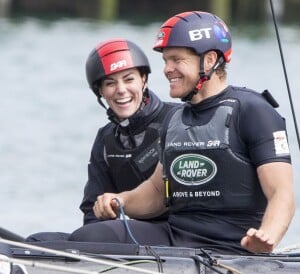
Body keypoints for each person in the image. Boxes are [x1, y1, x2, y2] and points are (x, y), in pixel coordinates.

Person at [69, 11, 295, 254]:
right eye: (166, 61)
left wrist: (267, 237)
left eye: (176, 59)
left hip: (230, 246)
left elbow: (281, 193)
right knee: (91, 236)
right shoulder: (175, 118)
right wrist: (120, 201)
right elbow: (156, 193)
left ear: (209, 60)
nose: (167, 70)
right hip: (175, 237)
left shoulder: (253, 111)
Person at [26, 38, 178, 242]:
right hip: (131, 234)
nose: (121, 89)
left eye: (129, 79)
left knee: (90, 236)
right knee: (36, 242)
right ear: (100, 92)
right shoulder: (106, 138)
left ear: (144, 79)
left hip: (177, 234)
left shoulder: (177, 119)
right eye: (110, 83)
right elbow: (92, 211)